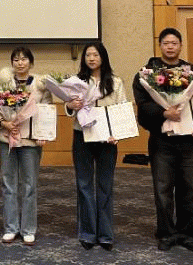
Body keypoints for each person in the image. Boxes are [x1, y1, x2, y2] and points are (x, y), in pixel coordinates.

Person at [133, 28, 193, 253]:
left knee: (190, 190)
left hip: (188, 140)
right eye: (166, 43)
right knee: (163, 190)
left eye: (174, 43)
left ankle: (188, 234)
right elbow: (143, 105)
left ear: (180, 45)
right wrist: (163, 113)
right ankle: (166, 234)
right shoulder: (148, 73)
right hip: (162, 140)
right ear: (160, 45)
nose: (170, 47)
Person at [66, 42, 129, 251]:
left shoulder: (116, 82)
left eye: (95, 55)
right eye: (88, 55)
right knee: (84, 185)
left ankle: (105, 234)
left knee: (105, 185)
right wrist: (70, 106)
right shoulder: (77, 82)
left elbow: (122, 109)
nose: (91, 58)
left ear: (103, 57)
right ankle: (87, 233)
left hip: (107, 139)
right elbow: (69, 109)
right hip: (82, 136)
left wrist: (117, 133)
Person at [0, 47, 52, 246]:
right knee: (8, 183)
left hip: (30, 141)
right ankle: (11, 228)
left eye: (24, 59)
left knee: (29, 185)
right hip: (7, 139)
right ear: (12, 63)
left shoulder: (40, 85)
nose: (20, 63)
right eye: (16, 60)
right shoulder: (3, 84)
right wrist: (3, 123)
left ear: (31, 62)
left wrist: (42, 134)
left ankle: (28, 229)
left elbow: (47, 111)